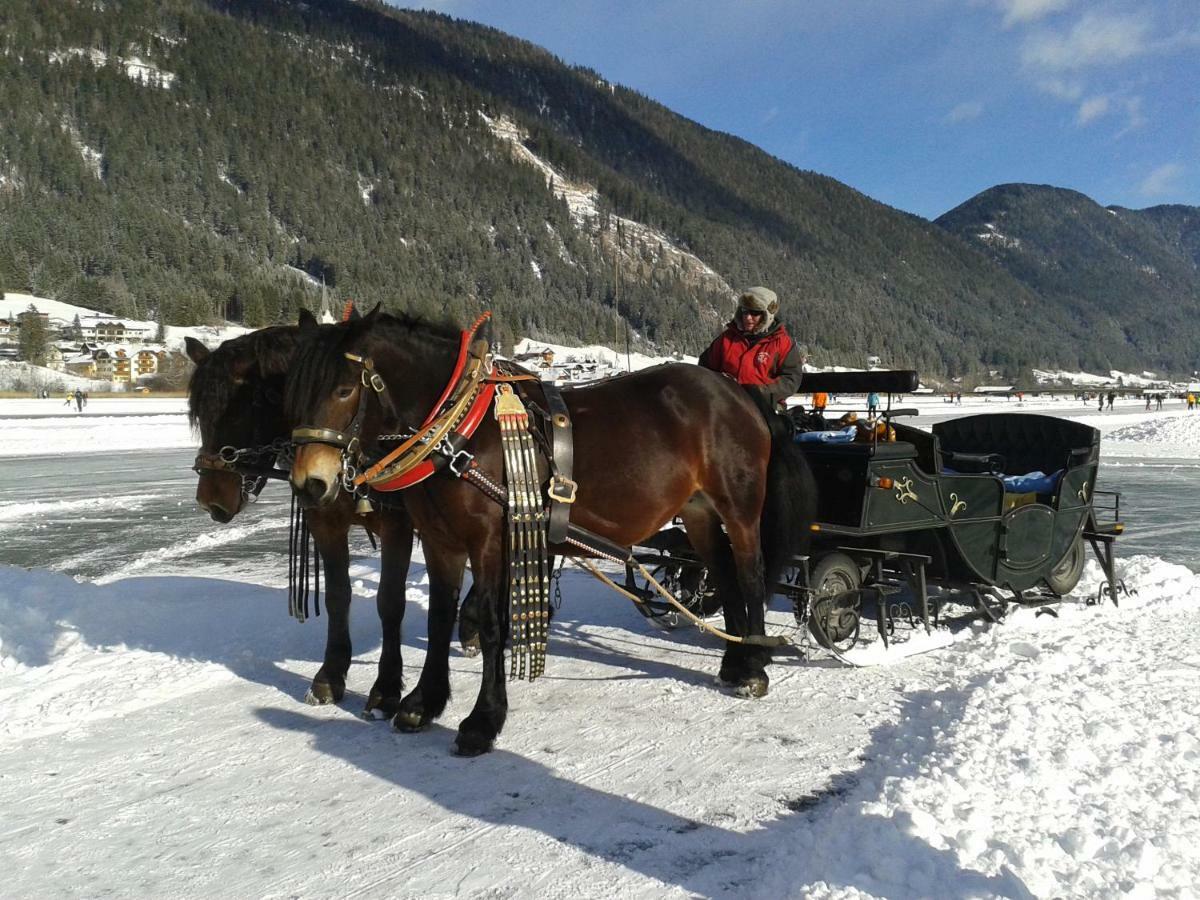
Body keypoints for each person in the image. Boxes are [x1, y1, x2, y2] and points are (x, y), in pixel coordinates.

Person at [698, 286, 803, 408]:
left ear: (767, 314)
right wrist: (720, 384)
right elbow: (705, 368)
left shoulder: (782, 343)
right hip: (726, 403)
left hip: (765, 405)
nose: (748, 317)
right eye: (744, 311)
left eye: (754, 312)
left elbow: (791, 379)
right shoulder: (727, 339)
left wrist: (760, 391)